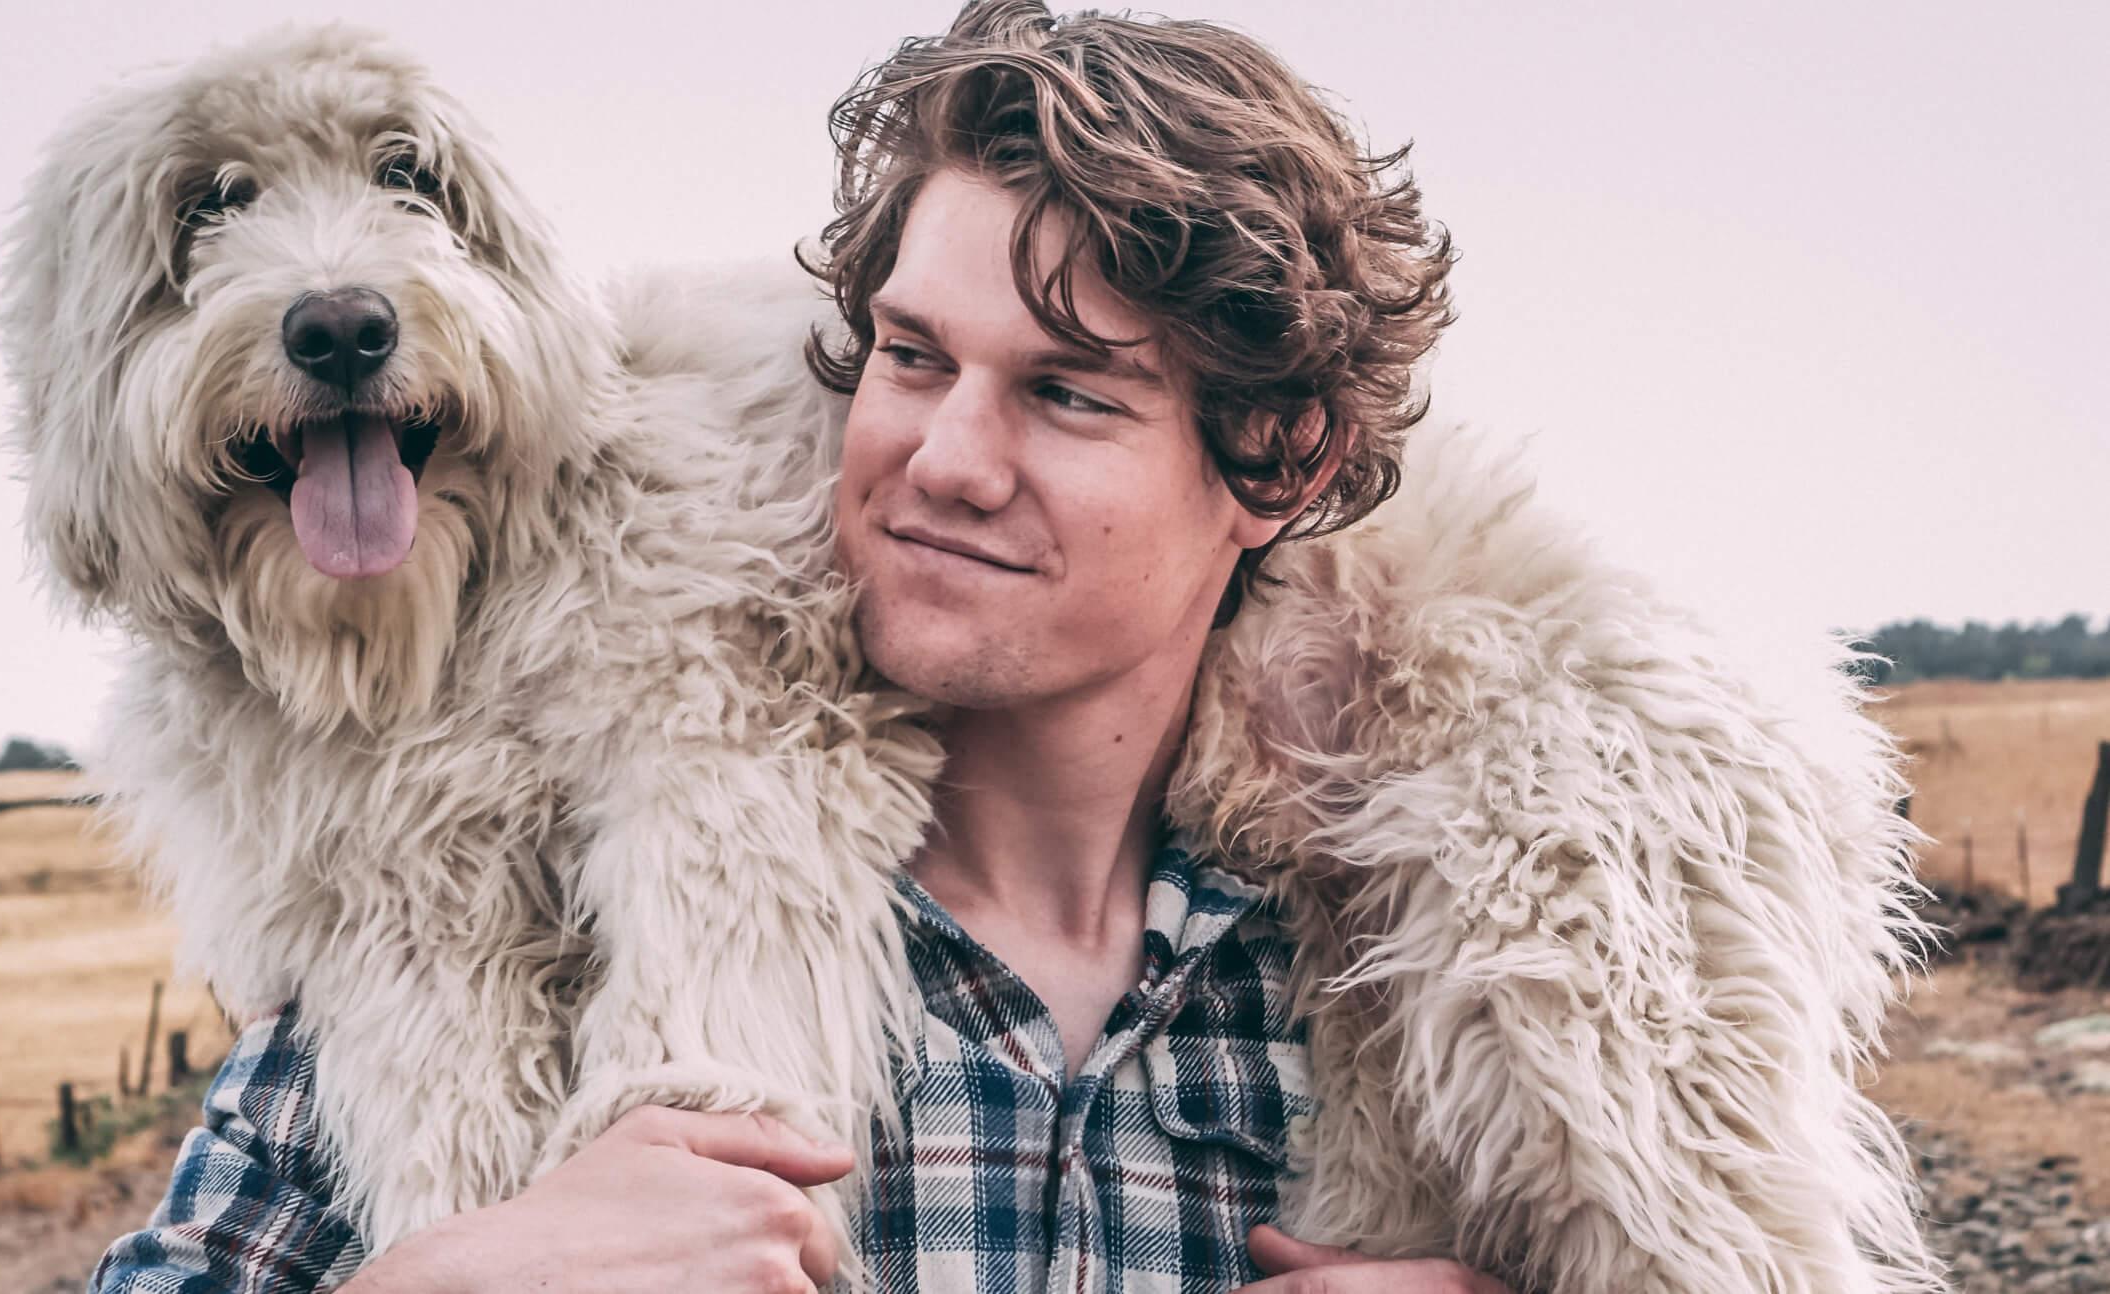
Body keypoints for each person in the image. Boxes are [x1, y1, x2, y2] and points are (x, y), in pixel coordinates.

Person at [93, 3, 1935, 1292]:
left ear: (1274, 463)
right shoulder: (510, 913)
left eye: (1063, 393)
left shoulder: (1458, 982)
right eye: (911, 357)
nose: (938, 460)